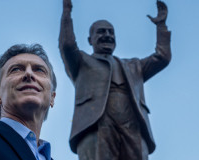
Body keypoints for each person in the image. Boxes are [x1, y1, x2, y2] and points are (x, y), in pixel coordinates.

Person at [59, 0, 171, 159]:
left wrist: (161, 26)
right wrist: (67, 12)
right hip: (97, 124)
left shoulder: (133, 66)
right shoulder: (81, 62)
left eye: (111, 33)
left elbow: (162, 57)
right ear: (90, 40)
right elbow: (67, 45)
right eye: (101, 32)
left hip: (132, 126)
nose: (107, 36)